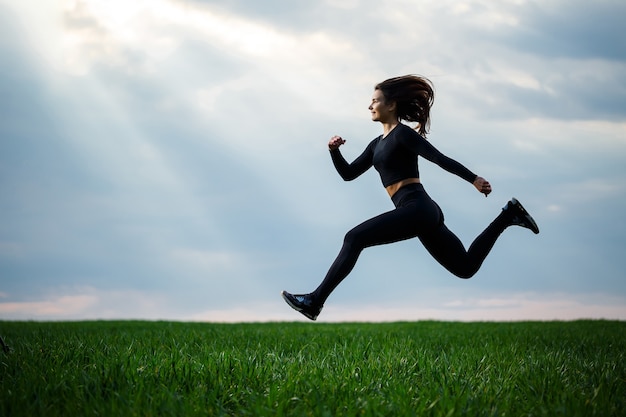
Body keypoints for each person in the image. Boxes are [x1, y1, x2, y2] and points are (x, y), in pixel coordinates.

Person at [281, 75, 539, 321]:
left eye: (375, 100)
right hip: (420, 212)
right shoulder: (375, 145)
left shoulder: (403, 134)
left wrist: (473, 179)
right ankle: (509, 215)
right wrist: (333, 151)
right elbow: (348, 174)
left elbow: (438, 158)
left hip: (418, 208)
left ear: (391, 105)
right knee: (466, 267)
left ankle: (315, 302)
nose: (370, 105)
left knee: (354, 237)